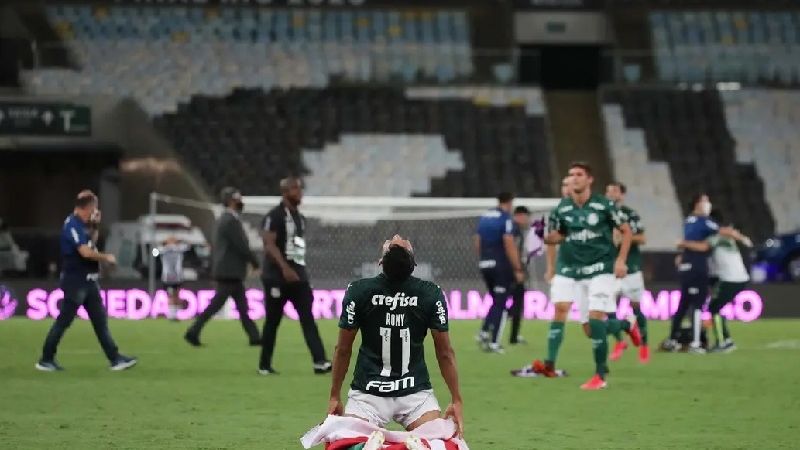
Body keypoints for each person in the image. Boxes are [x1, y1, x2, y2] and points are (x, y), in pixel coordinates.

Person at [326, 235, 463, 447]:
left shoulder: (358, 291)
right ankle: (416, 445)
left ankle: (371, 446)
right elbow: (445, 353)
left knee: (338, 440)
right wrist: (456, 399)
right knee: (448, 442)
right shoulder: (431, 294)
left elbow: (343, 349)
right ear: (413, 263)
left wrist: (335, 395)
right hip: (416, 393)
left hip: (368, 392)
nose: (397, 237)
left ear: (381, 261)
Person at [515, 162, 638, 390]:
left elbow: (626, 231)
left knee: (594, 319)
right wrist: (543, 235)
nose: (574, 178)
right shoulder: (562, 208)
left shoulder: (604, 205)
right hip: (570, 270)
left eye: (579, 174)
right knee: (585, 327)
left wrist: (621, 260)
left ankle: (599, 376)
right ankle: (624, 324)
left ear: (589, 179)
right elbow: (557, 237)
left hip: (600, 269)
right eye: (570, 174)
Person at [36, 191, 137, 371]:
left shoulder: (83, 225)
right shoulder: (72, 225)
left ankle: (115, 359)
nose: (95, 211)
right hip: (76, 282)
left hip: (88, 282)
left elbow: (90, 243)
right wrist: (106, 257)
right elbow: (85, 252)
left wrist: (95, 227)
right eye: (94, 208)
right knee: (64, 321)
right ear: (88, 207)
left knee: (100, 321)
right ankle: (46, 359)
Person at [258, 177, 330, 375]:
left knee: (308, 318)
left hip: (297, 279)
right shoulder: (274, 216)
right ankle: (264, 365)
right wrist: (284, 268)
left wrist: (300, 271)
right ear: (285, 191)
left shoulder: (300, 218)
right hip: (276, 278)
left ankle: (320, 361)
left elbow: (298, 249)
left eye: (300, 188)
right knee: (272, 321)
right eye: (296, 189)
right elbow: (269, 244)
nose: (300, 192)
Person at [664, 193, 741, 353]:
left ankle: (672, 340)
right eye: (705, 201)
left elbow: (690, 241)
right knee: (698, 305)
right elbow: (722, 231)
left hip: (686, 266)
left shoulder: (688, 221)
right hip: (697, 266)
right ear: (698, 204)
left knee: (683, 305)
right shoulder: (706, 222)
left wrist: (682, 251)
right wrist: (740, 236)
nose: (708, 204)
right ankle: (696, 343)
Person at [185, 187, 260, 346]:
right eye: (237, 199)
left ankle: (255, 338)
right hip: (229, 271)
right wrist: (254, 262)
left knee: (241, 307)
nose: (241, 202)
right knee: (218, 305)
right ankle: (193, 331)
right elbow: (241, 245)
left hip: (227, 270)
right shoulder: (230, 221)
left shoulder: (222, 220)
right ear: (231, 201)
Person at [679, 210, 751, 353]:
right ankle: (726, 339)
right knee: (715, 307)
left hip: (732, 278)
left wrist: (683, 243)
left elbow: (703, 247)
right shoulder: (721, 237)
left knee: (714, 309)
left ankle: (723, 343)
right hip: (732, 278)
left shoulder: (717, 237)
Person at [605, 182, 650, 363]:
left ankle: (644, 346)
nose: (610, 194)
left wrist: (623, 237)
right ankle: (619, 341)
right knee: (607, 307)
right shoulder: (601, 215)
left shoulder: (630, 214)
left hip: (630, 268)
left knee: (636, 308)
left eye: (614, 191)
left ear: (622, 195)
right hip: (608, 269)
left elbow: (642, 238)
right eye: (608, 191)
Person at [474, 192, 524, 353]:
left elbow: (477, 240)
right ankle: (494, 342)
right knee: (501, 302)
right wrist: (517, 268)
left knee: (496, 301)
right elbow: (509, 242)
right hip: (500, 265)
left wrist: (483, 259)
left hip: (485, 263)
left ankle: (483, 332)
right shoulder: (506, 219)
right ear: (510, 202)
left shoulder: (485, 217)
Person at [508, 206, 532, 345]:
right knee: (516, 304)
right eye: (526, 217)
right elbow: (513, 251)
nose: (527, 220)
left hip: (512, 271)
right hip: (513, 272)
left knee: (514, 304)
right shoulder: (514, 230)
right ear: (520, 216)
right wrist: (518, 270)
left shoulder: (515, 230)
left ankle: (514, 336)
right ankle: (512, 336)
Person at [158, 236, 189, 321]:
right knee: (172, 296)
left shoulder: (176, 249)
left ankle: (174, 315)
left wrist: (164, 243)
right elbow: (155, 252)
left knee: (176, 296)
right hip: (168, 278)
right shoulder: (165, 249)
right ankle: (172, 315)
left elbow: (187, 246)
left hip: (177, 277)